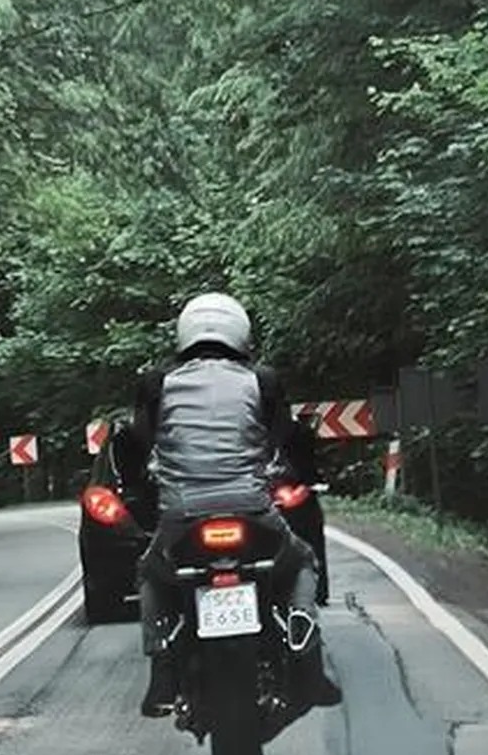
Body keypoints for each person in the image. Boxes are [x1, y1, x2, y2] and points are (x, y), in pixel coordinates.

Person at [130, 291, 341, 717]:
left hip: (182, 514)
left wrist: (147, 485)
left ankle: (161, 667)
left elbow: (141, 442)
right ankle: (302, 633)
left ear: (184, 334)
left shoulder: (157, 383)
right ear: (240, 333)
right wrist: (295, 472)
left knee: (151, 572)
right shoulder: (262, 380)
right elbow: (284, 437)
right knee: (300, 561)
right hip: (251, 508)